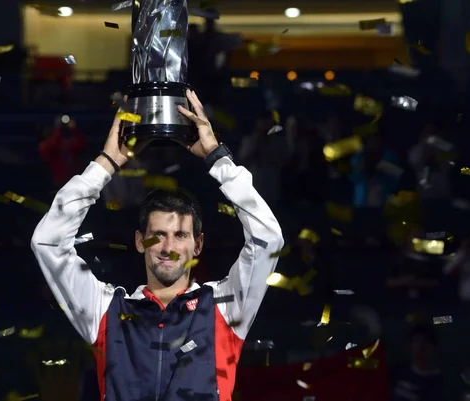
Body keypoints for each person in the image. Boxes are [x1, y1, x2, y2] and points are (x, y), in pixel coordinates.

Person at [31, 90, 284, 401]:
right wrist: (107, 163)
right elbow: (48, 242)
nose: (168, 247)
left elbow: (268, 239)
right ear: (140, 241)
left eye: (180, 235)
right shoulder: (105, 310)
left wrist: (217, 157)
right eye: (158, 235)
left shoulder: (226, 306)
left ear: (198, 244)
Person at [391, 324, 445, 401]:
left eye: (425, 341)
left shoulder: (438, 383)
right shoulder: (398, 370)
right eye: (416, 341)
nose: (420, 346)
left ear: (433, 347)